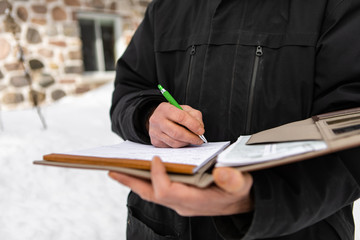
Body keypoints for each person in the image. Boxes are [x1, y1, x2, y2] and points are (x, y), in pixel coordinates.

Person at [108, 0, 360, 239]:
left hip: (296, 229)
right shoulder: (165, 7)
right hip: (161, 226)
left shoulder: (334, 5)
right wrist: (147, 115)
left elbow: (352, 129)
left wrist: (257, 199)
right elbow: (128, 91)